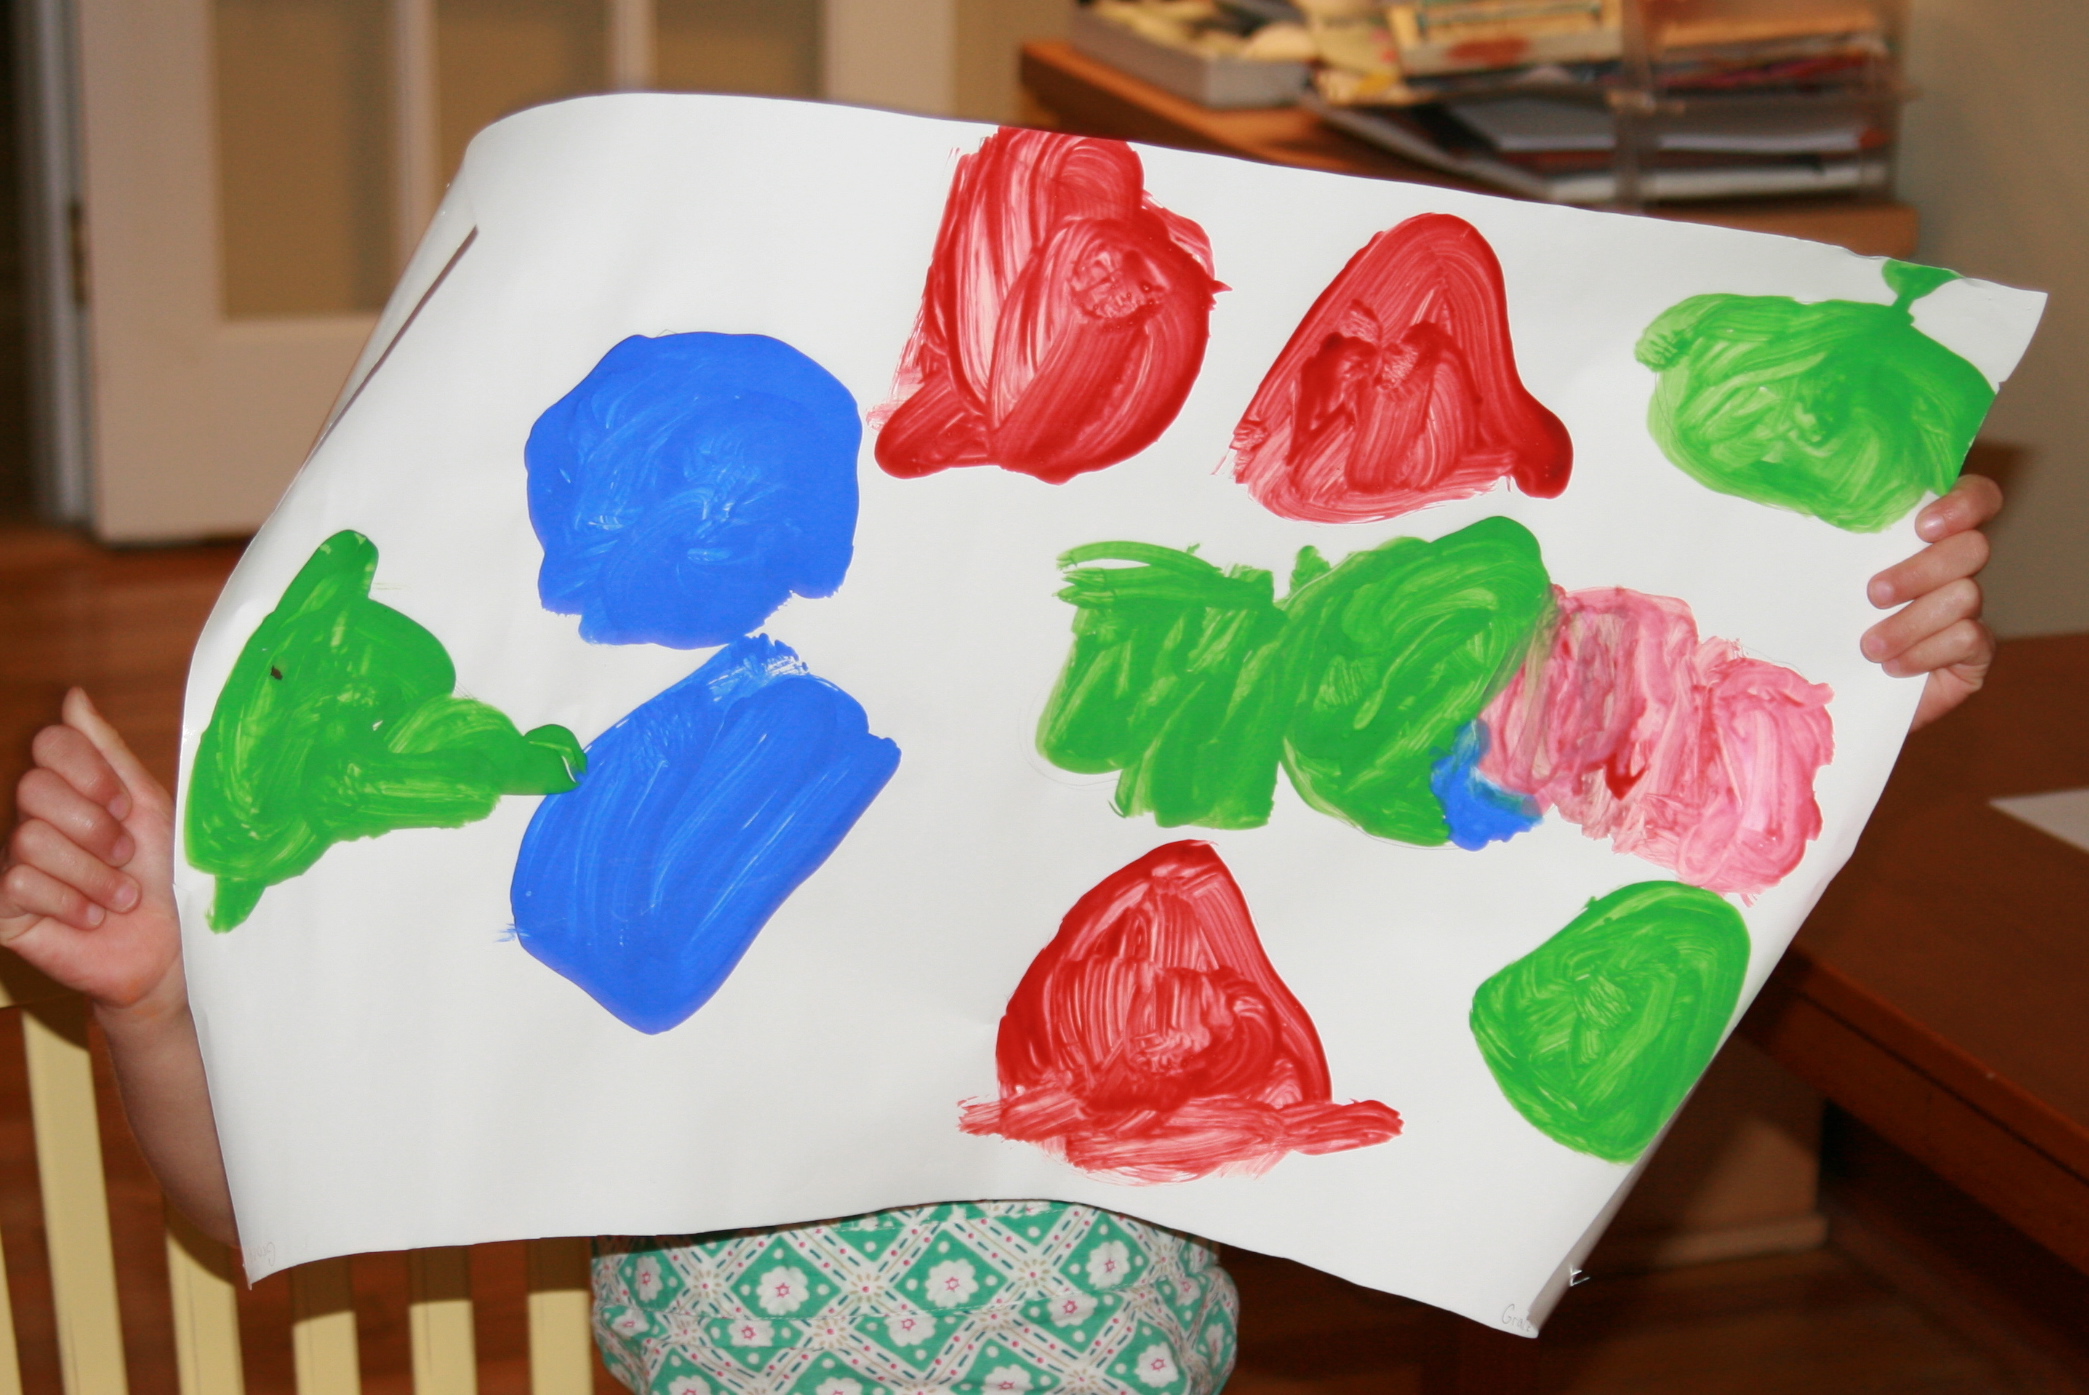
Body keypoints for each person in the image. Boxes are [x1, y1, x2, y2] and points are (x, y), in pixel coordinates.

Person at [0, 476, 2006, 1393]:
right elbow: (253, 1205)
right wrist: (163, 1006)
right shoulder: (639, 925)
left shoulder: (1141, 911)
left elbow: (1509, 903)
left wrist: (1819, 686)